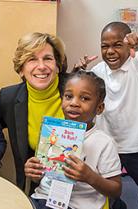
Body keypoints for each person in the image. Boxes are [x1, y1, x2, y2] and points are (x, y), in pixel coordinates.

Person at [80, 21, 138, 209]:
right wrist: (79, 71)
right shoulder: (97, 72)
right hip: (108, 144)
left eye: (117, 45)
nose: (110, 51)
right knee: (106, 189)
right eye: (105, 46)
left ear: (129, 45)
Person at [25, 70, 122, 209]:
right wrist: (34, 172)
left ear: (99, 108)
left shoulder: (104, 143)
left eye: (85, 98)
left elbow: (116, 190)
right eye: (69, 96)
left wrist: (89, 176)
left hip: (79, 205)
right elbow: (41, 176)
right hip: (43, 198)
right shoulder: (52, 133)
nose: (74, 103)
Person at [0, 32, 67, 190]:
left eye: (48, 58)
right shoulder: (8, 98)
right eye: (32, 59)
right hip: (39, 185)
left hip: (83, 186)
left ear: (57, 65)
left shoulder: (77, 90)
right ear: (21, 69)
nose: (41, 66)